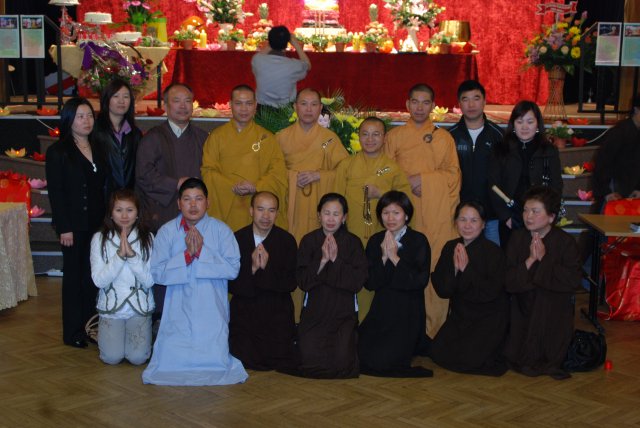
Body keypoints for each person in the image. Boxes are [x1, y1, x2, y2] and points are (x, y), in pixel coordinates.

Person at [142, 178, 248, 386]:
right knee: (171, 358)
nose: (193, 205)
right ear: (178, 203)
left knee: (213, 351)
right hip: (177, 305)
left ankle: (213, 363)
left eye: (198, 199)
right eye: (187, 199)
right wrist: (186, 256)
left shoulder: (221, 231)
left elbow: (233, 269)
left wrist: (201, 252)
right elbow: (157, 273)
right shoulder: (167, 231)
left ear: (208, 202)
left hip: (211, 306)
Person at [384, 83, 461, 338]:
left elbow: (454, 176)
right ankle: (403, 330)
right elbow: (384, 173)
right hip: (403, 215)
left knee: (434, 263)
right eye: (415, 102)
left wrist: (424, 180)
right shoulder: (394, 137)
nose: (419, 107)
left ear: (433, 106)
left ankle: (434, 330)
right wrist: (408, 183)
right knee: (402, 263)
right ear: (407, 104)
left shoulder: (444, 138)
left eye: (425, 102)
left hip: (435, 214)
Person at [334, 116, 411, 321]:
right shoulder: (346, 165)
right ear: (358, 136)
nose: (370, 139)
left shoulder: (392, 167)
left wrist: (382, 194)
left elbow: (405, 201)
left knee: (378, 280)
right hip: (352, 234)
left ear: (384, 138)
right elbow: (336, 201)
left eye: (376, 134)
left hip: (382, 235)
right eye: (365, 134)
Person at [46, 97, 107, 348]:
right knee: (74, 278)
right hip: (72, 226)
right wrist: (64, 227)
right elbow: (56, 192)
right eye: (80, 116)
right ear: (69, 120)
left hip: (96, 224)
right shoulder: (58, 151)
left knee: (92, 276)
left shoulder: (98, 147)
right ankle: (73, 332)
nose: (86, 121)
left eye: (90, 115)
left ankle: (90, 326)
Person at [504, 186, 581, 380]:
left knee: (545, 302)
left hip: (552, 309)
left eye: (535, 211)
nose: (528, 216)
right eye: (525, 210)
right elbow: (508, 280)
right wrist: (530, 260)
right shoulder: (517, 238)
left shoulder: (565, 242)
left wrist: (544, 259)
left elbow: (572, 280)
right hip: (522, 307)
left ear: (551, 217)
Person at [358, 191, 432, 378]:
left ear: (406, 215)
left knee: (384, 360)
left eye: (396, 213)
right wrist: (383, 257)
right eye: (385, 213)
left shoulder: (418, 240)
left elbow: (420, 281)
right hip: (382, 308)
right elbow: (370, 283)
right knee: (360, 354)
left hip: (408, 310)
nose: (390, 218)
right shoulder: (375, 241)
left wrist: (395, 257)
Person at [430, 201, 509, 376]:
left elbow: (491, 292)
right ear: (455, 222)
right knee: (438, 353)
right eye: (462, 219)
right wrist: (454, 269)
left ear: (483, 224)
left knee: (473, 360)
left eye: (474, 220)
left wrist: (467, 269)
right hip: (461, 315)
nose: (467, 225)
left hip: (487, 317)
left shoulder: (493, 252)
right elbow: (443, 290)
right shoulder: (450, 247)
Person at [295, 193, 368, 378]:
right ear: (319, 215)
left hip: (343, 312)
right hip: (315, 310)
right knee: (308, 360)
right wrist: (322, 261)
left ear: (344, 217)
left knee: (342, 363)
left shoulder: (353, 242)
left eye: (336, 214)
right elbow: (302, 281)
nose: (330, 219)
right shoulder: (309, 240)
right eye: (326, 213)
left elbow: (358, 282)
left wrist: (335, 260)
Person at [202, 85, 288, 232]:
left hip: (258, 206)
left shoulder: (267, 138)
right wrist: (232, 186)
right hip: (226, 204)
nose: (244, 109)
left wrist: (257, 187)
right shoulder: (216, 137)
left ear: (255, 105)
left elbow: (278, 173)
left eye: (248, 103)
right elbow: (208, 171)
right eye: (238, 103)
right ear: (230, 105)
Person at [229, 191, 298, 371]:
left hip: (276, 313)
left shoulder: (287, 241)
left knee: (280, 359)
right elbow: (230, 284)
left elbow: (291, 283)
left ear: (277, 213)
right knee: (241, 357)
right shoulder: (237, 239)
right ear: (251, 211)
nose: (266, 216)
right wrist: (252, 268)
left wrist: (267, 268)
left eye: (271, 210)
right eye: (261, 209)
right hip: (246, 312)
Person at [90, 189, 154, 365]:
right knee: (111, 358)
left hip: (139, 307)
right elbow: (99, 281)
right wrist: (119, 257)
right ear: (111, 213)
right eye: (119, 210)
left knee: (138, 358)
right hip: (112, 308)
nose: (124, 216)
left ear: (138, 213)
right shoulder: (99, 239)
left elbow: (149, 280)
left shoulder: (148, 238)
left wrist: (132, 257)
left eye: (130, 210)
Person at [277, 87, 349, 243]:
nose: (309, 109)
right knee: (289, 243)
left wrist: (318, 175)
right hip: (291, 202)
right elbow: (272, 172)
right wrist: (292, 177)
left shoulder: (330, 139)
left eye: (314, 104)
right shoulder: (281, 137)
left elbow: (346, 171)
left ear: (320, 108)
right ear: (295, 107)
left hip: (320, 202)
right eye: (304, 104)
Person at [135, 83, 208, 233]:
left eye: (187, 101)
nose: (183, 106)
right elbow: (143, 174)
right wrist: (175, 183)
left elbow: (211, 172)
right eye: (176, 101)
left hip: (196, 212)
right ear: (166, 105)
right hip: (163, 211)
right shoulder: (153, 137)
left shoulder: (203, 138)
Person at [488, 100, 562, 246]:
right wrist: (505, 217)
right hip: (510, 216)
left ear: (537, 124)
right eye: (520, 121)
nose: (524, 127)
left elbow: (556, 185)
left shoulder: (549, 150)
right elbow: (493, 184)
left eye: (530, 122)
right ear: (513, 124)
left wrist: (547, 215)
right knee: (511, 255)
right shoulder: (501, 149)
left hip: (540, 216)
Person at [448, 80, 504, 245]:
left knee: (492, 257)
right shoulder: (449, 136)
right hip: (459, 215)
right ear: (459, 104)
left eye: (476, 98)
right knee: (459, 256)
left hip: (491, 215)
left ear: (485, 101)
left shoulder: (499, 135)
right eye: (465, 99)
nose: (471, 104)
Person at [93, 79, 142, 195]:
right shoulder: (95, 131)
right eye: (116, 96)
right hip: (102, 196)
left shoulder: (135, 134)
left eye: (126, 96)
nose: (121, 101)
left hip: (128, 197)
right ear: (106, 99)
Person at [591, 93, 640, 210]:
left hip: (633, 191)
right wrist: (606, 192)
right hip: (614, 191)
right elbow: (602, 163)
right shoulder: (619, 132)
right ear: (636, 110)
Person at [251, 26, 311, 108]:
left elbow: (261, 54)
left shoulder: (257, 60)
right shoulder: (294, 65)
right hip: (285, 111)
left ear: (269, 41)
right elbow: (308, 65)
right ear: (287, 44)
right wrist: (295, 43)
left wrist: (273, 41)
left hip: (262, 110)